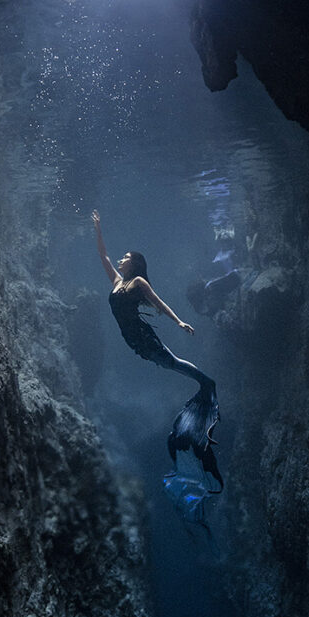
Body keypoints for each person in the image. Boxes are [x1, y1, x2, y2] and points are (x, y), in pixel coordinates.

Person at [92, 210, 222, 490]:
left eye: (126, 256)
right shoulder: (117, 282)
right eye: (123, 256)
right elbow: (103, 256)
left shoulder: (138, 283)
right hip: (133, 341)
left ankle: (206, 383)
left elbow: (159, 302)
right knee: (167, 363)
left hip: (142, 337)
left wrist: (179, 322)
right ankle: (204, 383)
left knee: (170, 362)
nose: (121, 259)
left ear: (135, 263)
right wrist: (98, 228)